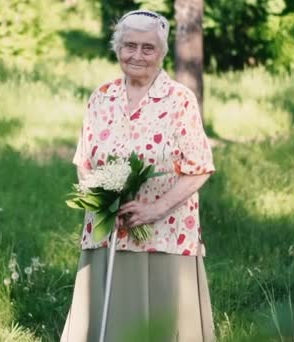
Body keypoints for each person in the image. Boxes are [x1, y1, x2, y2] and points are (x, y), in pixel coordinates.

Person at [61, 10, 216, 342]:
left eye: (148, 48)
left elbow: (199, 166)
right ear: (117, 48)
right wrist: (103, 202)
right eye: (129, 45)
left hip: (165, 233)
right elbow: (84, 160)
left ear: (161, 53)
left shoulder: (179, 101)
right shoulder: (101, 97)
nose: (137, 55)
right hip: (107, 231)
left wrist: (155, 209)